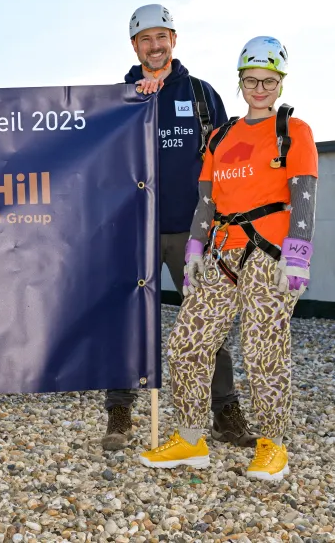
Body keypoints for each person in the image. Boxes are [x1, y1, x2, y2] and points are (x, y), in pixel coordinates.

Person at [139, 36, 318, 481]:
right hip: (223, 253)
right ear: (239, 82)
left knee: (264, 352)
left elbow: (305, 198)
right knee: (187, 345)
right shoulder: (221, 135)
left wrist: (297, 256)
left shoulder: (293, 131)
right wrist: (196, 249)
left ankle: (273, 445)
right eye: (251, 80)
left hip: (270, 255)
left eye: (269, 80)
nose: (260, 88)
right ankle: (192, 438)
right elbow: (206, 201)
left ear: (280, 83)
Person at [101, 4, 258, 451]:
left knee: (207, 324)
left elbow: (228, 161)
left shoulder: (203, 94)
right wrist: (137, 98)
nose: (155, 45)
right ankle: (120, 411)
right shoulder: (118, 97)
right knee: (127, 322)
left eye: (162, 36)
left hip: (195, 234)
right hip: (135, 231)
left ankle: (225, 411)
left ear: (175, 39)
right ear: (134, 45)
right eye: (145, 38)